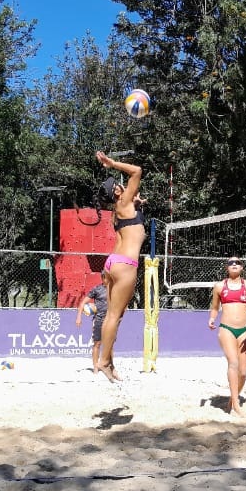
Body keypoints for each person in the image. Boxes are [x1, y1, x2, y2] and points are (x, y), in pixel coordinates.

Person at [94, 150, 146, 381]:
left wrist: (136, 203)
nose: (122, 185)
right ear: (117, 191)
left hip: (112, 263)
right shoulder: (123, 201)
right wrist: (112, 163)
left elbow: (129, 222)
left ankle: (109, 362)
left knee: (113, 317)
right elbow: (137, 171)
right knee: (114, 317)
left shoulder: (118, 211)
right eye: (118, 184)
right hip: (125, 264)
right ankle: (104, 361)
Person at [208, 255, 246, 416]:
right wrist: (211, 319)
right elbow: (215, 307)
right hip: (226, 329)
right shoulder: (219, 286)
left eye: (237, 262)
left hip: (244, 330)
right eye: (231, 263)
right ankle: (236, 405)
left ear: (242, 267)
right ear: (227, 268)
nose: (234, 264)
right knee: (233, 363)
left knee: (243, 372)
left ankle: (232, 399)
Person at [74, 269, 110, 370]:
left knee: (109, 345)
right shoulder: (97, 289)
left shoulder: (114, 289)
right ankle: (95, 367)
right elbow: (82, 303)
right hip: (99, 320)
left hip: (110, 321)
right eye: (107, 277)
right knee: (97, 343)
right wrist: (79, 317)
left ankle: (108, 366)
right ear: (103, 278)